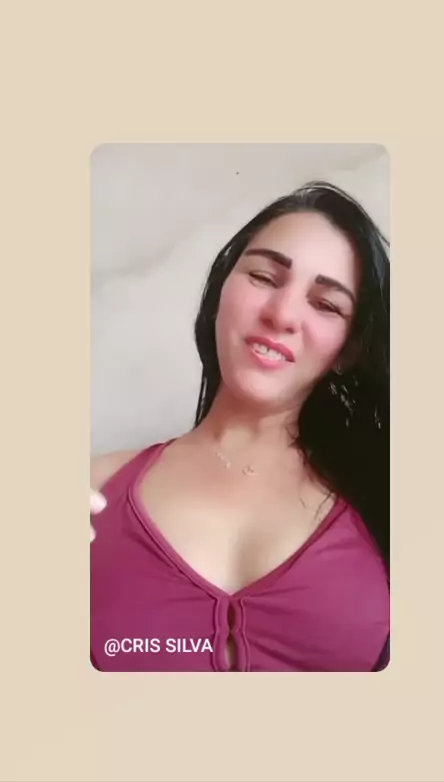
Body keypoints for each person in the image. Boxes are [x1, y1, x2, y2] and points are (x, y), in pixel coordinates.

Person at [90, 181, 390, 672]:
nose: (282, 313)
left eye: (326, 304)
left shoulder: (391, 504)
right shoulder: (93, 487)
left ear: (349, 350)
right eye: (265, 277)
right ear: (223, 289)